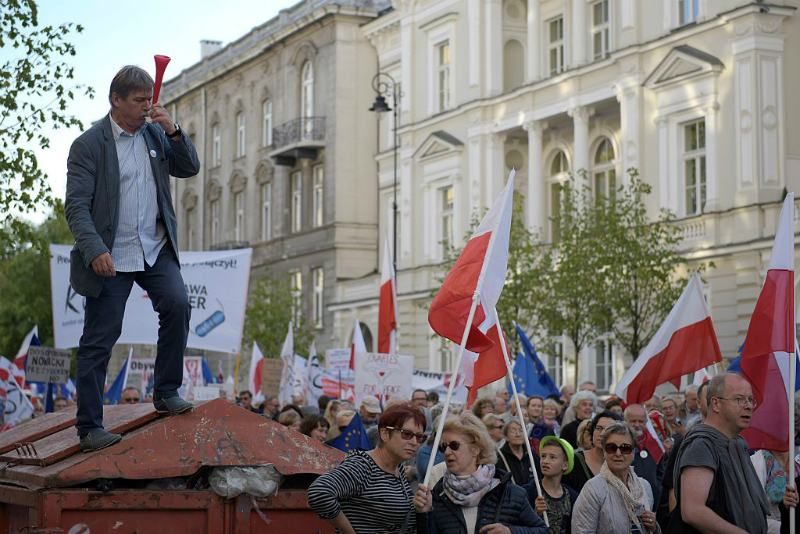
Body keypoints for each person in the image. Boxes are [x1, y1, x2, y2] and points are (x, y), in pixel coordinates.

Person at [66, 65, 200, 452]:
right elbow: (76, 206)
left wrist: (173, 130)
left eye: (149, 99)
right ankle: (89, 427)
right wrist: (95, 250)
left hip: (154, 247)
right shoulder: (89, 145)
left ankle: (167, 391)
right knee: (99, 339)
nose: (147, 107)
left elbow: (188, 167)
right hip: (112, 254)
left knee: (177, 304)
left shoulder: (156, 134)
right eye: (140, 101)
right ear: (116, 101)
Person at [669, 372, 769, 533]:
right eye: (739, 399)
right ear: (715, 404)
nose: (748, 406)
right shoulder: (701, 445)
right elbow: (693, 511)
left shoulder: (737, 444)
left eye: (750, 400)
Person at [413, 414, 548, 533]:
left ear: (475, 449)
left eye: (454, 445)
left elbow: (542, 530)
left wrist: (510, 531)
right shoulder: (437, 496)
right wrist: (424, 514)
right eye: (443, 447)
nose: (447, 452)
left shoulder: (511, 493)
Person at [308, 403, 425, 533]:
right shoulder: (363, 465)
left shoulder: (398, 469)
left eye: (420, 437)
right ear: (385, 433)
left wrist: (422, 509)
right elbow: (319, 492)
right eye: (407, 434)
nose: (415, 442)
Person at [572, 422, 659, 533]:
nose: (618, 453)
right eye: (611, 447)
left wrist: (653, 527)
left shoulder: (644, 487)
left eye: (625, 448)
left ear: (633, 452)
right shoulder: (593, 489)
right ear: (604, 451)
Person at [564, 411, 622, 493]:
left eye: (608, 429)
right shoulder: (574, 461)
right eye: (598, 428)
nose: (602, 434)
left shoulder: (622, 463)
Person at [531, 436, 578, 534]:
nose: (545, 461)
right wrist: (534, 514)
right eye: (543, 456)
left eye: (552, 457)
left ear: (565, 465)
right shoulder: (528, 492)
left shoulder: (573, 497)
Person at [624, 404, 661, 510]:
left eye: (641, 421)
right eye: (633, 421)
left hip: (653, 503)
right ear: (625, 421)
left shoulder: (655, 444)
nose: (637, 425)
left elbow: (661, 472)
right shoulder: (619, 445)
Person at [495, 420, 537, 486]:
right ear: (506, 436)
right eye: (513, 431)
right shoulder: (499, 457)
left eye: (521, 431)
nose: (518, 434)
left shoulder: (531, 454)